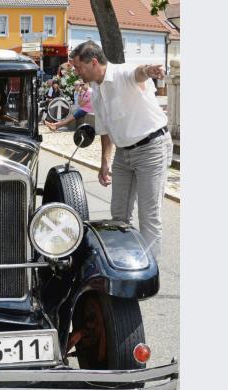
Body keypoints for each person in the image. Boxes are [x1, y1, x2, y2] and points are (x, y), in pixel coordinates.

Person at [70, 40, 172, 258]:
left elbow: (138, 74)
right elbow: (105, 130)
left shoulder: (122, 73)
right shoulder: (96, 90)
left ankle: (148, 272)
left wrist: (149, 70)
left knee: (149, 215)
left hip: (151, 147)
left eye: (78, 67)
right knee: (118, 215)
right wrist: (105, 162)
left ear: (94, 62)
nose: (76, 71)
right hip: (123, 153)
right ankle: (126, 264)